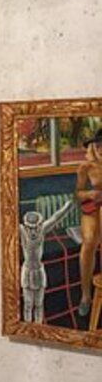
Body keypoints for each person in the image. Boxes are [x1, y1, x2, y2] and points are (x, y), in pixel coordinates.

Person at [74, 130, 102, 318]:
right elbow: (77, 194)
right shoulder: (85, 167)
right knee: (89, 241)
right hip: (92, 207)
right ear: (93, 147)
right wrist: (90, 194)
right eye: (98, 145)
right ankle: (86, 296)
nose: (101, 149)